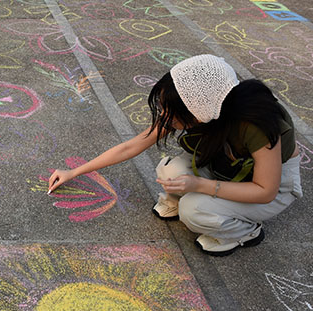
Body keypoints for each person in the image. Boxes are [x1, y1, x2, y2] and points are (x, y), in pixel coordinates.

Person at [48, 54, 302, 256]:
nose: (164, 114)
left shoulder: (257, 124)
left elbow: (265, 190)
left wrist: (200, 185)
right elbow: (132, 146)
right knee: (170, 171)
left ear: (197, 114)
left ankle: (245, 231)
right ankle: (193, 201)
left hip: (269, 186)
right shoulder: (205, 107)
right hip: (226, 165)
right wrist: (73, 172)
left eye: (171, 110)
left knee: (194, 211)